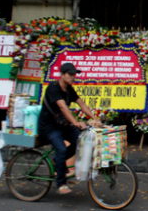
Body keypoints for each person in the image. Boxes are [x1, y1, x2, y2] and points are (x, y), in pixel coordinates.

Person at [38, 63, 101, 195]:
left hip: (62, 125)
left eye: (74, 74)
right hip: (49, 127)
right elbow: (63, 107)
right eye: (70, 74)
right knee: (61, 149)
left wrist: (95, 118)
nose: (73, 77)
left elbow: (81, 103)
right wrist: (75, 122)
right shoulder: (53, 88)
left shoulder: (69, 89)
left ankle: (56, 162)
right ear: (62, 74)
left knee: (80, 140)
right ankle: (61, 184)